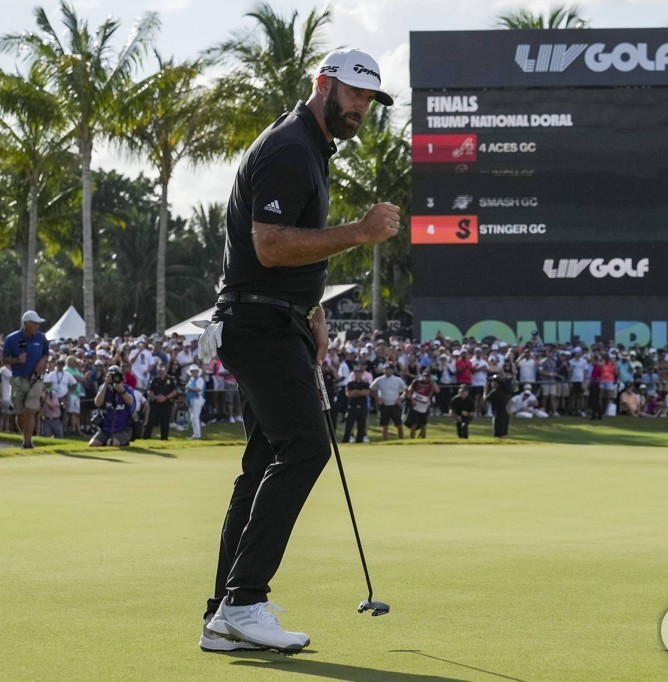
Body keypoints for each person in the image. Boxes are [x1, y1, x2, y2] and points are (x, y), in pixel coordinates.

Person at [200, 46, 399, 653]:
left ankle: (223, 615)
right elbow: (269, 246)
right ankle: (245, 601)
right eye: (355, 94)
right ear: (324, 85)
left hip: (275, 321)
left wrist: (312, 311)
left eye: (370, 99)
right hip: (258, 326)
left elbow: (291, 250)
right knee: (306, 446)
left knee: (262, 464)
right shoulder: (291, 145)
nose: (362, 107)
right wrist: (362, 232)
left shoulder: (311, 149)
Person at [2, 311, 50, 449]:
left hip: (36, 379)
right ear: (26, 324)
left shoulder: (41, 338)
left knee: (30, 410)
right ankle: (26, 436)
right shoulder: (12, 339)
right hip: (18, 379)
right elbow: (4, 359)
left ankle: (27, 443)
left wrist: (42, 361)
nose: (37, 326)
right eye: (35, 323)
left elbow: (46, 354)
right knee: (19, 413)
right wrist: (17, 360)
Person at [89, 365, 135, 447]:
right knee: (93, 444)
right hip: (106, 427)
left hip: (123, 428)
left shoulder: (127, 388)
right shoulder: (104, 388)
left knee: (112, 443)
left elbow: (131, 402)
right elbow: (97, 403)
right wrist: (105, 384)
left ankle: (123, 442)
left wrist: (122, 391)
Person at [370, 363, 406, 441]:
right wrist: (377, 398)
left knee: (399, 424)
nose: (387, 371)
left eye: (389, 369)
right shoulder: (379, 380)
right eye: (385, 369)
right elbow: (371, 389)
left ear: (392, 370)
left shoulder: (397, 379)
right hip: (384, 405)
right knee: (385, 425)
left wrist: (400, 398)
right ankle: (385, 441)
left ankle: (401, 440)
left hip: (395, 405)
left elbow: (405, 390)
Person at [145, 363, 180, 440]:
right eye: (160, 369)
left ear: (167, 370)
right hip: (155, 403)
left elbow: (174, 391)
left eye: (163, 369)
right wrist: (155, 397)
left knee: (165, 421)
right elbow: (150, 391)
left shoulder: (171, 380)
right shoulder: (154, 379)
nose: (161, 371)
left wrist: (166, 397)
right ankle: (146, 437)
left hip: (166, 403)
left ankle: (164, 438)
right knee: (150, 421)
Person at [343, 361, 372, 444]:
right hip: (352, 406)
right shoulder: (350, 384)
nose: (357, 374)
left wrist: (356, 392)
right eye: (356, 372)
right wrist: (360, 392)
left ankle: (359, 441)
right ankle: (345, 441)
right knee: (349, 425)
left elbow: (366, 393)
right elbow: (349, 394)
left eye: (359, 372)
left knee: (361, 426)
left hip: (363, 406)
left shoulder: (365, 384)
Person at [404, 369, 439, 438]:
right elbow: (409, 391)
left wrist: (433, 381)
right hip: (415, 405)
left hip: (424, 406)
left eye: (428, 376)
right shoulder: (416, 382)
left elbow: (437, 390)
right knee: (413, 424)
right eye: (425, 376)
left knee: (423, 425)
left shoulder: (431, 383)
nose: (426, 378)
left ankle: (423, 439)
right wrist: (412, 400)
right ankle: (412, 439)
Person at [485, 373, 511, 438]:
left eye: (494, 382)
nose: (492, 384)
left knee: (497, 434)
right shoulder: (505, 392)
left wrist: (485, 390)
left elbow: (485, 399)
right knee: (504, 434)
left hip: (498, 415)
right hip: (505, 414)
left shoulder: (494, 392)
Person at [185, 364, 206, 440]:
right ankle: (195, 434)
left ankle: (197, 435)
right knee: (192, 417)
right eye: (192, 371)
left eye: (195, 371)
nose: (194, 372)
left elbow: (198, 389)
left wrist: (189, 388)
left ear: (197, 371)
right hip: (191, 399)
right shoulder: (191, 379)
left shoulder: (200, 379)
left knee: (195, 417)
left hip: (197, 399)